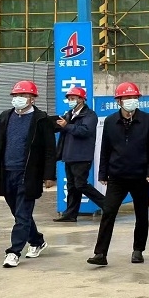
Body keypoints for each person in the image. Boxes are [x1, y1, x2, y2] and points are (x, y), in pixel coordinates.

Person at [0, 80, 56, 268]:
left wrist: (49, 175)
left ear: (32, 98)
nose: (18, 99)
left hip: (28, 174)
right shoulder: (5, 117)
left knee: (22, 214)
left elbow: (49, 150)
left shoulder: (41, 119)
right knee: (19, 213)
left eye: (22, 95)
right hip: (7, 172)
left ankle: (14, 252)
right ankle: (37, 241)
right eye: (15, 96)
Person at [87, 82, 149, 266]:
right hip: (117, 177)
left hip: (141, 177)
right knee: (108, 212)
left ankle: (138, 250)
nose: (131, 101)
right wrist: (103, 173)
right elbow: (105, 149)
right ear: (118, 101)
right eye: (127, 98)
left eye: (134, 97)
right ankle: (100, 253)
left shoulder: (148, 120)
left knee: (141, 214)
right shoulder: (110, 121)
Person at [53, 86, 105, 222]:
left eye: (73, 98)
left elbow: (85, 131)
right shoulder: (69, 114)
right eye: (69, 99)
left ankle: (107, 205)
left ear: (81, 99)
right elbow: (63, 129)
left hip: (82, 156)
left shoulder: (90, 115)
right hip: (69, 154)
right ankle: (70, 214)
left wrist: (66, 126)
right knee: (72, 186)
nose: (70, 101)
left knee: (80, 184)